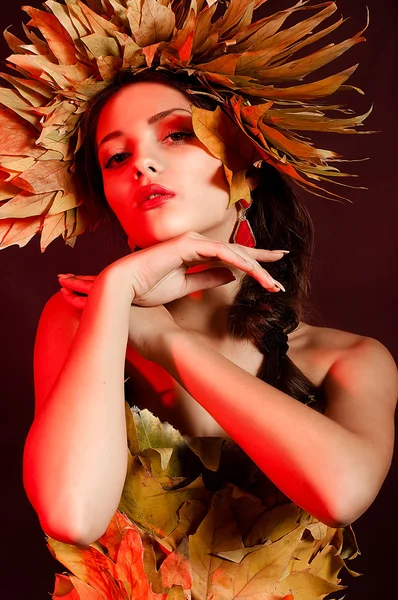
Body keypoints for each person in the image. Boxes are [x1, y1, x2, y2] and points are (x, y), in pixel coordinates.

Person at [1, 0, 396, 597]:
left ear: (251, 165)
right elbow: (71, 516)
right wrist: (117, 295)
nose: (145, 164)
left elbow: (340, 493)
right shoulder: (82, 319)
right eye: (117, 156)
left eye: (178, 134)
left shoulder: (352, 361)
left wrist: (165, 341)